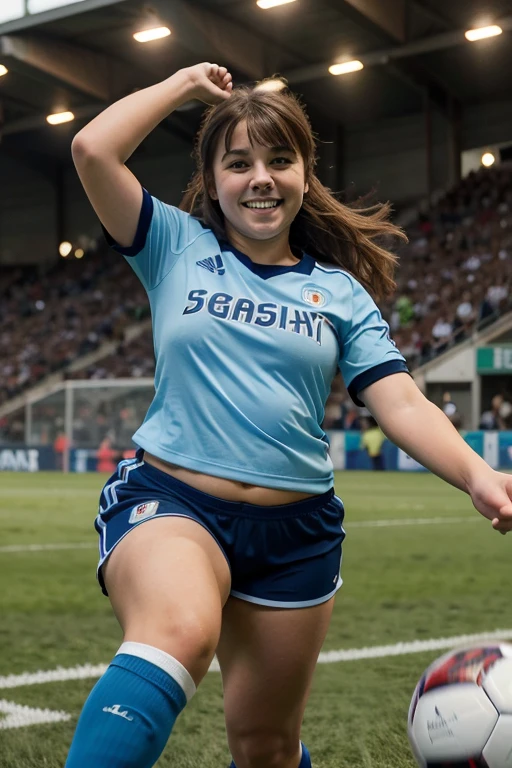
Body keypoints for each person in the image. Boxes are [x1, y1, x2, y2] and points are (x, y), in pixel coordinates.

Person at [66, 63, 512, 768]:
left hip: (296, 534)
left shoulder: (338, 293)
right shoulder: (175, 246)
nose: (261, 178)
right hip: (174, 502)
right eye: (238, 163)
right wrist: (183, 89)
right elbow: (93, 151)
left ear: (306, 174)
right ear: (212, 181)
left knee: (267, 747)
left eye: (280, 160)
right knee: (178, 631)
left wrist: (478, 475)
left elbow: (397, 398)